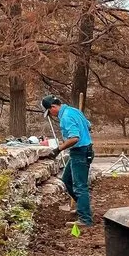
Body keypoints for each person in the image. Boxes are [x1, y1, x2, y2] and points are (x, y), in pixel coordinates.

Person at [42, 95, 95, 228]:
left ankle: (85, 219)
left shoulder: (65, 117)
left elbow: (74, 138)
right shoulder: (74, 111)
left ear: (53, 107)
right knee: (67, 179)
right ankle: (84, 207)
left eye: (50, 112)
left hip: (80, 152)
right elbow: (89, 126)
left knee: (80, 186)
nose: (51, 115)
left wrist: (58, 149)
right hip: (82, 151)